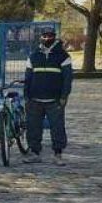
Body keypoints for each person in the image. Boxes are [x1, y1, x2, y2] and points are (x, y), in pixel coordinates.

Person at [21, 29, 73, 166]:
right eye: (44, 36)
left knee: (57, 127)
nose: (47, 38)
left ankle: (58, 154)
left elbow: (68, 79)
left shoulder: (63, 56)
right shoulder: (33, 56)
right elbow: (28, 77)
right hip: (34, 99)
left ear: (54, 37)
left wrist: (64, 96)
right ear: (40, 38)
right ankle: (35, 153)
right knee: (33, 127)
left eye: (50, 36)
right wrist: (26, 96)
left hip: (54, 99)